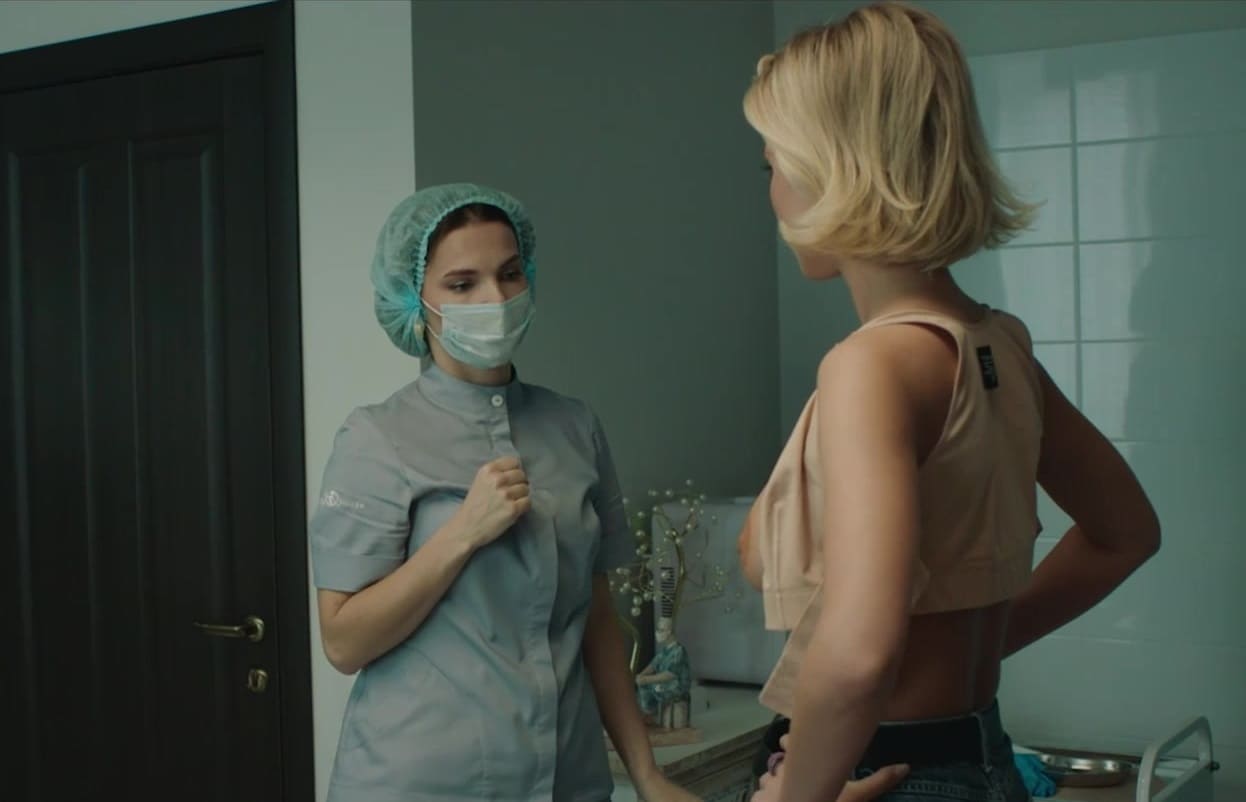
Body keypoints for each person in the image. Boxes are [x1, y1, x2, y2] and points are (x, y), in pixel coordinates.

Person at [309, 183, 907, 802]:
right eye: (462, 284)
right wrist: (460, 536)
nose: (495, 298)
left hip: (568, 776)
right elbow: (344, 641)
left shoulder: (573, 426)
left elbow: (596, 619)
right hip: (421, 781)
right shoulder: (378, 438)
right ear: (415, 300)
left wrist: (646, 773)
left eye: (509, 274)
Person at [735, 4, 1161, 802]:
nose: (776, 194)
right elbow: (1125, 534)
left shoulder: (869, 368)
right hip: (976, 757)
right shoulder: (999, 346)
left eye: (774, 166)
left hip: (876, 771)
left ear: (834, 167)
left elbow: (858, 655)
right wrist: (976, 649)